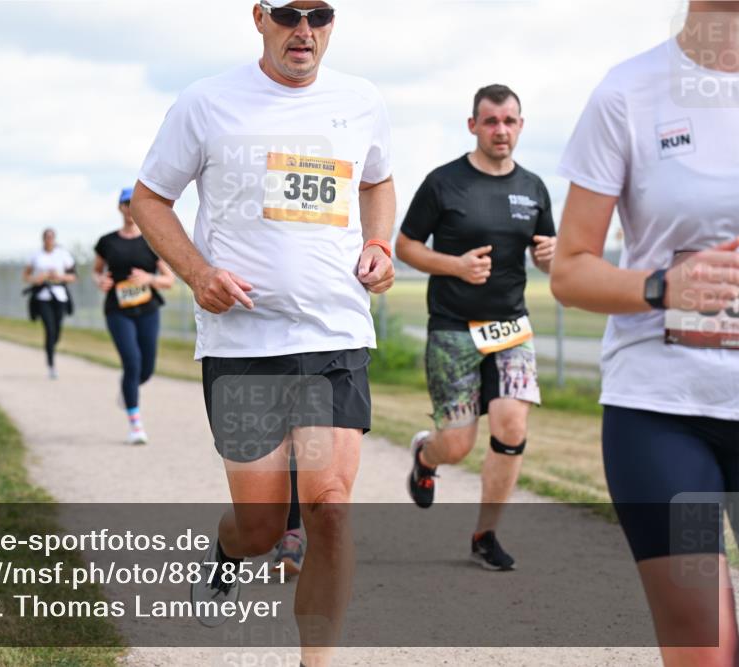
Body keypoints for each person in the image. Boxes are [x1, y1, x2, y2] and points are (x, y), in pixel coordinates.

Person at [131, 1, 395, 663]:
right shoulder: (206, 103)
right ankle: (228, 553)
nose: (303, 29)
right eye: (287, 13)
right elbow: (148, 199)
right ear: (259, 18)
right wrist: (196, 272)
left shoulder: (361, 100)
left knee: (330, 506)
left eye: (320, 14)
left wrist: (380, 243)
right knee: (261, 527)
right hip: (243, 345)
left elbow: (380, 178)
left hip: (333, 334)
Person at [550, 3, 739, 664]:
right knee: (705, 650)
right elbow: (570, 270)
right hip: (664, 412)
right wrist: (664, 286)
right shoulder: (628, 92)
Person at [395, 84, 556, 571]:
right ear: (473, 126)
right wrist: (455, 265)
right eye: (491, 121)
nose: (501, 130)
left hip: (511, 328)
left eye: (509, 121)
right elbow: (405, 247)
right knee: (458, 445)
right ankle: (427, 456)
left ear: (521, 126)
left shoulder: (533, 187)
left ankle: (485, 534)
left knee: (511, 425)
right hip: (452, 329)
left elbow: (549, 255)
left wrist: (551, 257)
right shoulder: (444, 183)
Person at [93, 187, 175, 444]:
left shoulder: (151, 241)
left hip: (147, 309)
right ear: (120, 208)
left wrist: (148, 278)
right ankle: (135, 424)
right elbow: (96, 271)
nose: (129, 209)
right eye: (125, 204)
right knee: (132, 362)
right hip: (118, 310)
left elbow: (169, 279)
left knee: (146, 369)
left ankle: (128, 391)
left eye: (133, 203)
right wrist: (100, 281)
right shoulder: (107, 242)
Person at [24, 228, 76, 379]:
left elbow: (73, 276)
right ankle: (51, 364)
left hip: (59, 296)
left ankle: (50, 348)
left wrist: (59, 276)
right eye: (47, 237)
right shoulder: (36, 256)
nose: (49, 240)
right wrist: (37, 278)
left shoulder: (63, 255)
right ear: (43, 239)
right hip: (43, 296)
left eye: (51, 237)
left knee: (57, 331)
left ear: (54, 239)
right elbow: (26, 276)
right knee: (49, 328)